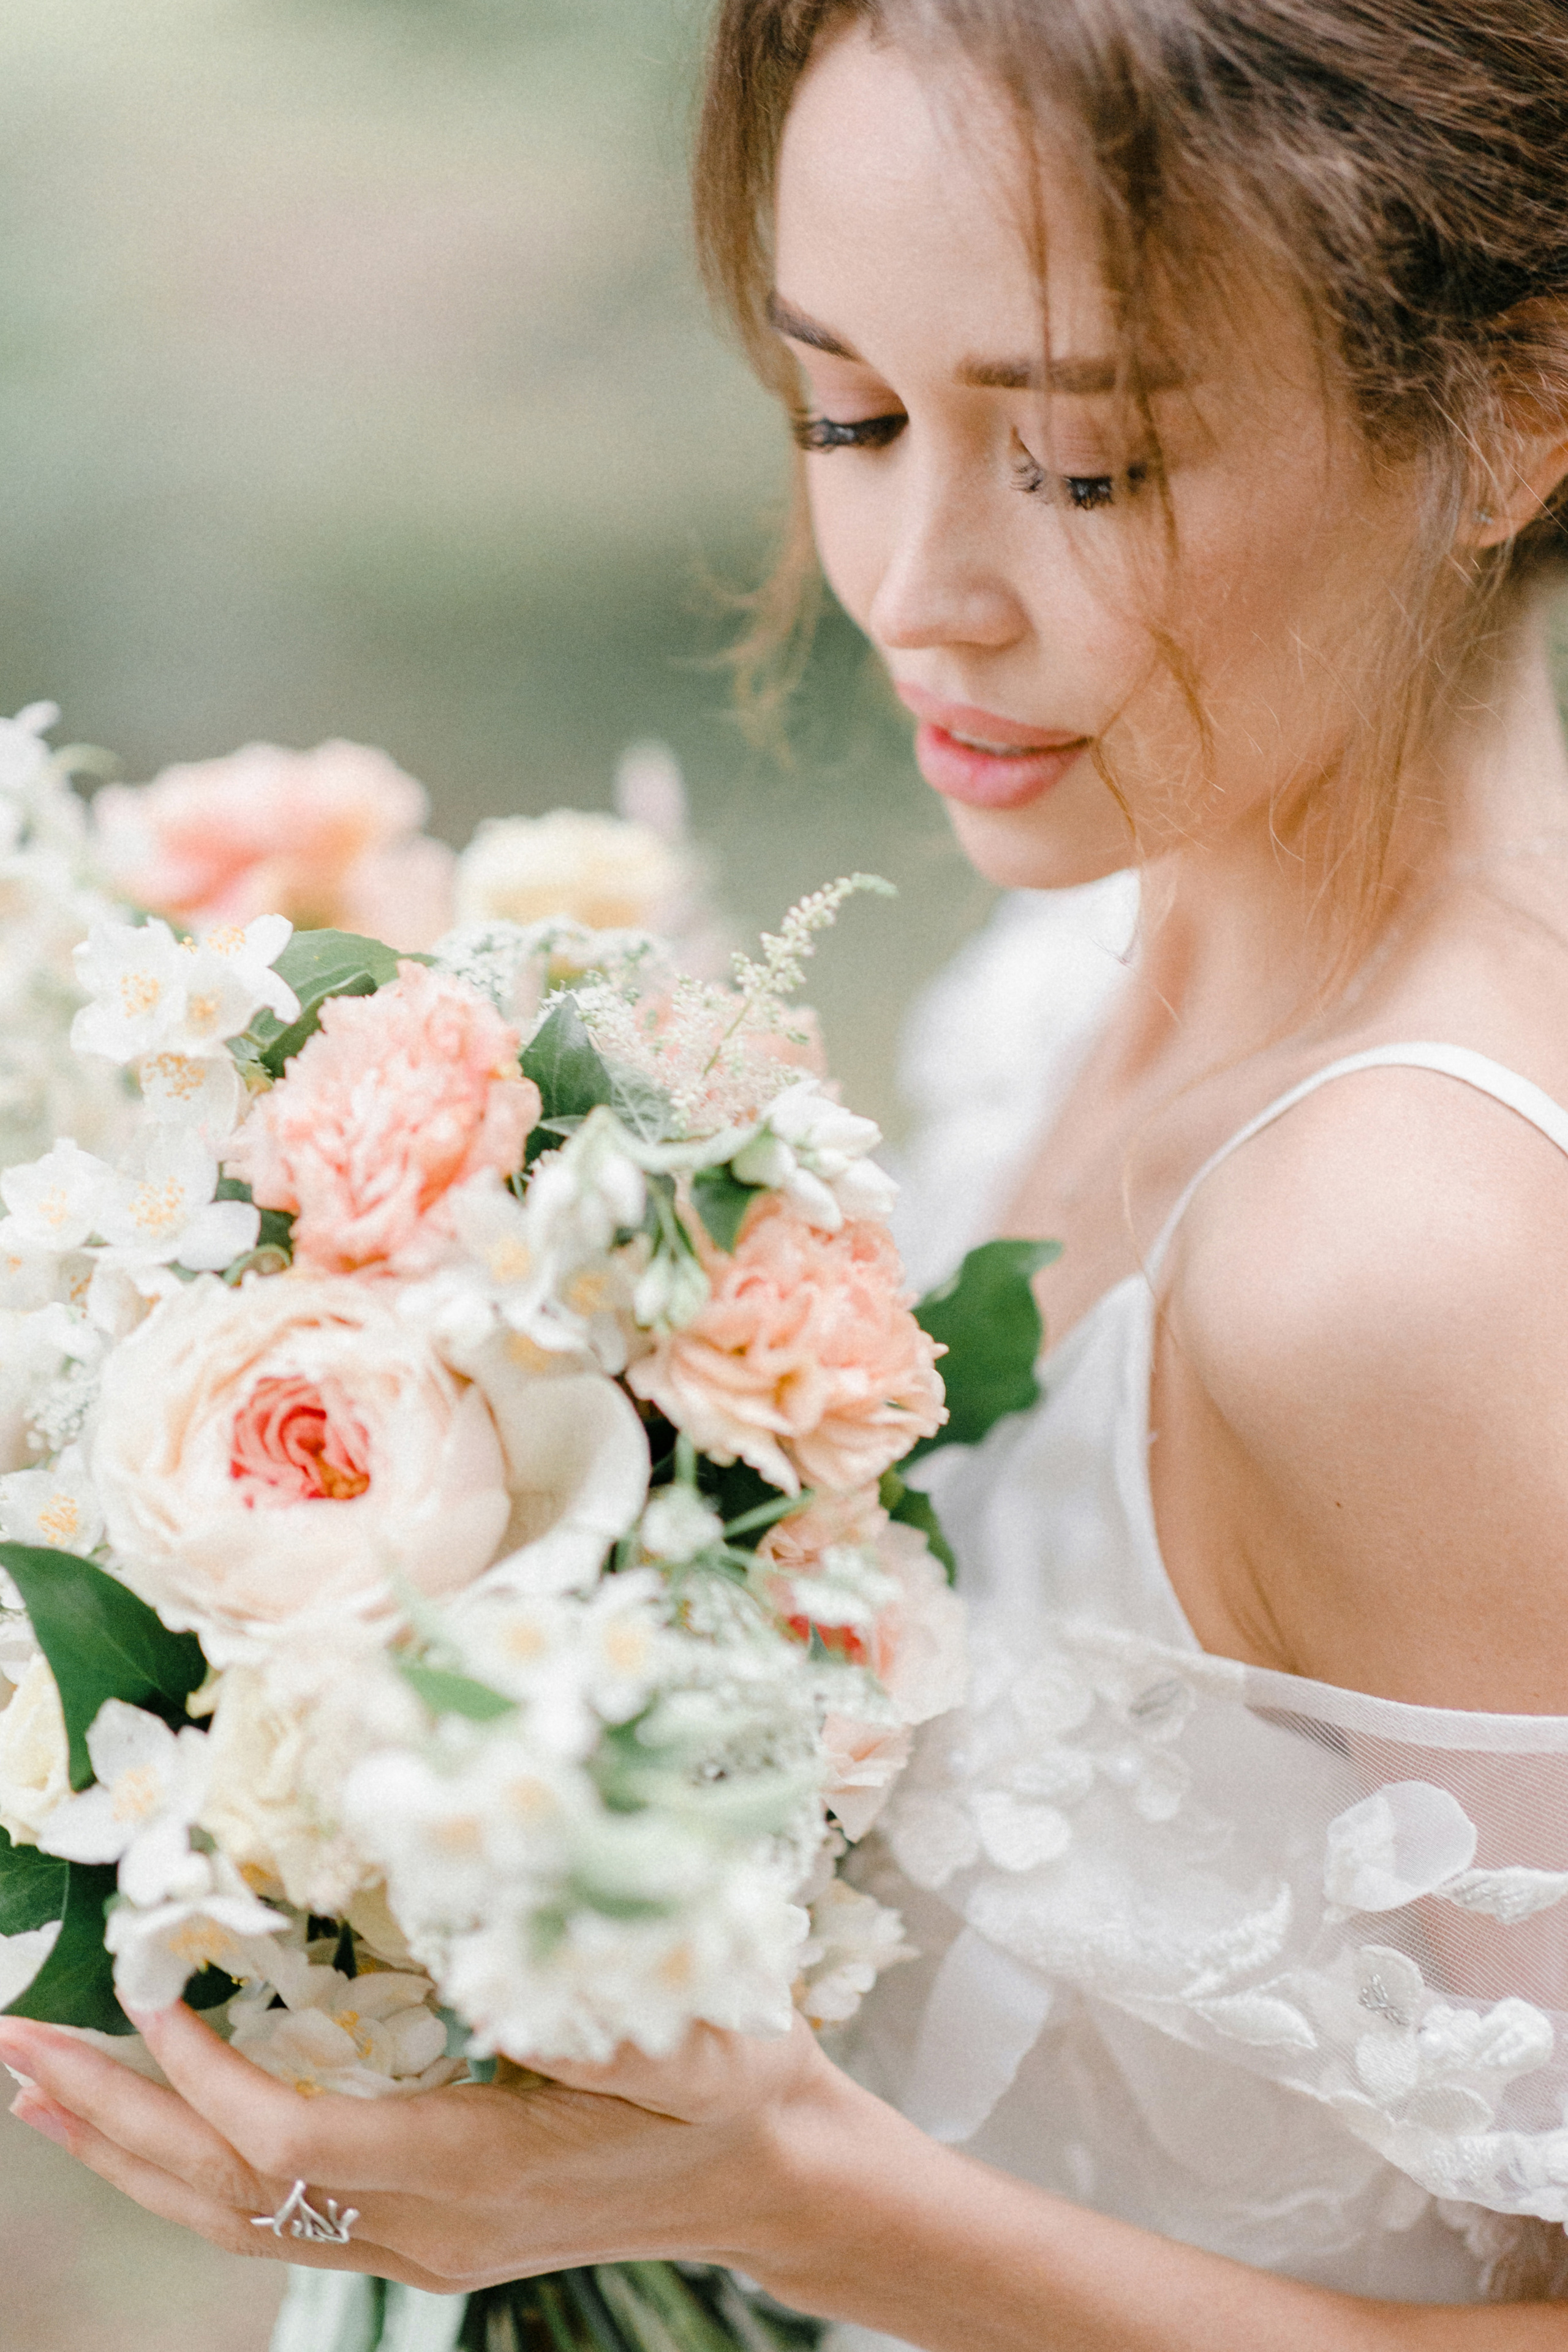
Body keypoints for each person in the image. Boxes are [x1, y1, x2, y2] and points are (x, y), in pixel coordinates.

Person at [6, 1, 1568, 2342]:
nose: (918, 584)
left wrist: (788, 2206)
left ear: (1511, 411)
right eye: (846, 413)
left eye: (1085, 469)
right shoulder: (1071, 971)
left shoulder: (1390, 1267)